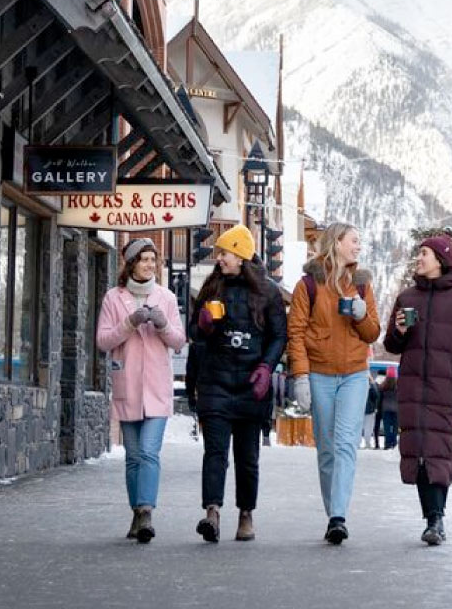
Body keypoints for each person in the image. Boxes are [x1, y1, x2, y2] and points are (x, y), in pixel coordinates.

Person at [186, 224, 287, 543]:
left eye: (225, 253)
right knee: (214, 452)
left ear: (242, 255)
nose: (219, 259)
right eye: (219, 253)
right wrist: (203, 325)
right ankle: (212, 512)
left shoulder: (268, 292)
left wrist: (266, 367)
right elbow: (195, 334)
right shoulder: (212, 287)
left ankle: (246, 514)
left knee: (247, 455)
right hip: (216, 382)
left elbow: (279, 335)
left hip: (250, 386)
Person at [384, 233, 452, 547]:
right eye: (419, 253)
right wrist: (400, 331)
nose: (419, 258)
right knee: (419, 455)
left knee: (440, 453)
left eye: (425, 253)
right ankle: (432, 519)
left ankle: (437, 518)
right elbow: (391, 344)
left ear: (441, 259)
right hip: (414, 389)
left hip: (445, 391)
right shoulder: (407, 298)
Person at [286, 221, 381, 545]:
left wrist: (359, 314)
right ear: (337, 242)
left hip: (354, 373)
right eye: (354, 240)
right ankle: (333, 515)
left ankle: (338, 516)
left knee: (344, 445)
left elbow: (372, 333)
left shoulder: (363, 285)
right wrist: (300, 377)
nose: (358, 246)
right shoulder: (307, 286)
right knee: (326, 449)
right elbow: (295, 333)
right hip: (320, 374)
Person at [95, 238, 185, 543]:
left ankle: (146, 510)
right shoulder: (113, 298)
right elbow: (103, 341)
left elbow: (178, 341)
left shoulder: (167, 298)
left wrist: (161, 324)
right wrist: (130, 322)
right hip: (128, 387)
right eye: (143, 259)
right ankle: (136, 512)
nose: (150, 264)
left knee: (148, 452)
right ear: (131, 263)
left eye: (153, 259)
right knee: (133, 456)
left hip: (157, 389)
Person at [378, 369, 400, 449]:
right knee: (395, 427)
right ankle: (393, 442)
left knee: (387, 428)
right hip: (396, 409)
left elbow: (380, 398)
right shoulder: (398, 385)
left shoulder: (384, 385)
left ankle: (387, 443)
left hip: (386, 409)